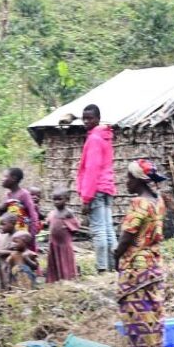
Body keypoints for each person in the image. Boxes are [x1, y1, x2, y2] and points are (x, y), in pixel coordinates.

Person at [114, 158, 169, 347]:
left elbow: (128, 234)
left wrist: (116, 255)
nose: (125, 182)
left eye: (128, 178)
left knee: (137, 310)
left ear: (138, 180)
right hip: (154, 262)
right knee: (153, 307)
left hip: (136, 265)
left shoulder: (139, 203)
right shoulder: (158, 201)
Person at [75, 103, 116, 274]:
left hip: (96, 190)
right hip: (107, 189)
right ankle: (114, 266)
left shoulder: (93, 139)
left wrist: (86, 198)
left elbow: (92, 170)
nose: (86, 121)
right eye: (84, 118)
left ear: (98, 119)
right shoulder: (105, 137)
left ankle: (102, 268)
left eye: (89, 118)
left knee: (99, 230)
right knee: (108, 229)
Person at [43, 188, 80, 283]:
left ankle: (68, 278)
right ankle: (54, 279)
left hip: (64, 243)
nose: (56, 202)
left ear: (67, 200)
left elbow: (75, 226)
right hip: (53, 243)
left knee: (65, 260)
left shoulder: (68, 213)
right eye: (54, 199)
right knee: (54, 260)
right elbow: (47, 223)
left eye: (59, 199)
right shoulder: (52, 213)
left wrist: (67, 229)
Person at [0, 167, 40, 237]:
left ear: (14, 178)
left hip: (23, 235)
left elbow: (33, 216)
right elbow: (3, 215)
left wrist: (31, 235)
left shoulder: (24, 194)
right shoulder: (8, 195)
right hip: (12, 234)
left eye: (5, 176)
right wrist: (2, 208)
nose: (2, 179)